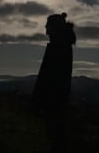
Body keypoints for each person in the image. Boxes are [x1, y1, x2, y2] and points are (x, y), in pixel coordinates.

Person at [33, 12, 76, 153]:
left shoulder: (59, 47)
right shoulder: (60, 46)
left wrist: (39, 98)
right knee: (56, 138)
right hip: (55, 100)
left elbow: (49, 76)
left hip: (54, 101)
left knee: (56, 138)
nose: (46, 29)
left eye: (48, 26)